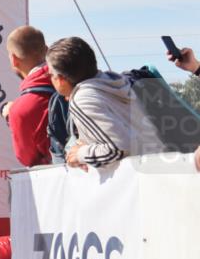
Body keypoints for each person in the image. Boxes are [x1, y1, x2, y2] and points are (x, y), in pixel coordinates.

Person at [46, 36, 150, 170]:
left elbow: (119, 147)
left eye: (50, 75)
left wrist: (80, 154)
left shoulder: (83, 99)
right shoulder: (114, 82)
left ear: (60, 79)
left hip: (137, 180)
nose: (50, 79)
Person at [1, 26, 63, 166]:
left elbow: (28, 159)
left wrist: (11, 116)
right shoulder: (74, 78)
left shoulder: (20, 110)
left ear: (14, 59)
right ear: (46, 50)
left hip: (63, 180)